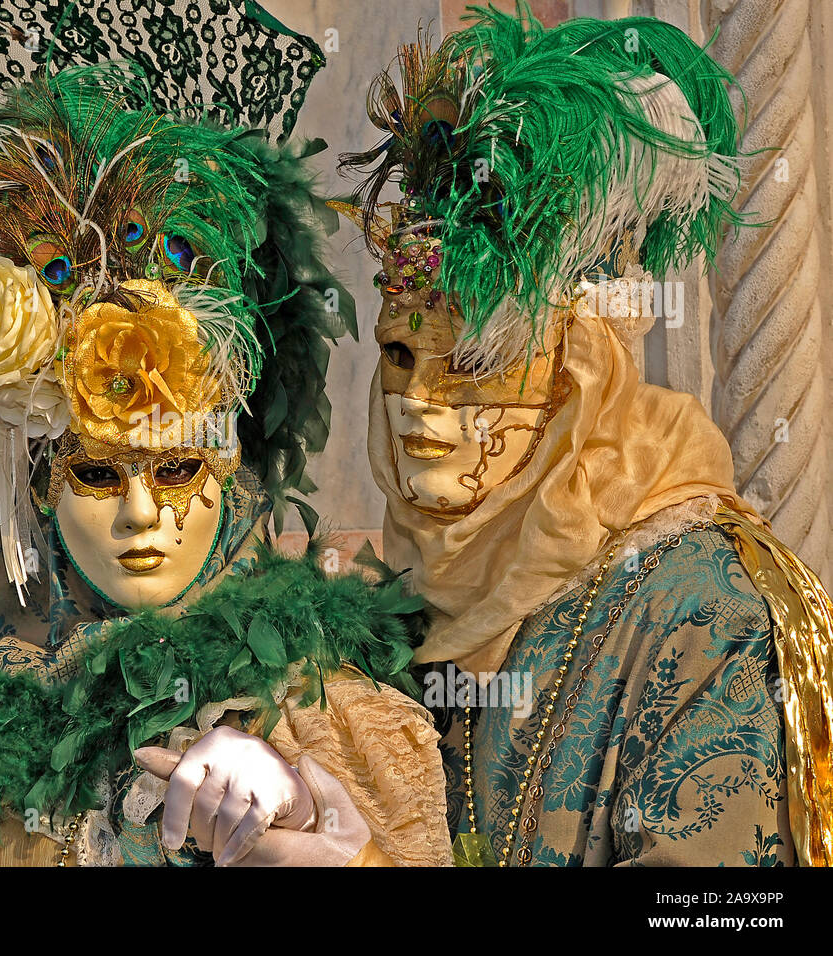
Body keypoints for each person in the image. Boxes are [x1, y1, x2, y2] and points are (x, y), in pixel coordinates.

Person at [0, 62, 452, 868]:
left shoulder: (323, 714)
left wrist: (312, 828)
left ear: (230, 477)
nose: (140, 515)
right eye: (96, 474)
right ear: (37, 490)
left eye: (176, 472)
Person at [334, 4, 832, 866]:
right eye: (401, 353)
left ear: (579, 367)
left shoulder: (706, 612)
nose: (419, 400)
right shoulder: (407, 594)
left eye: (473, 362)